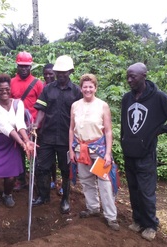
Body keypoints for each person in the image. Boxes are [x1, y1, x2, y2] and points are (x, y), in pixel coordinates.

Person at [121, 62, 167, 241]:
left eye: (132, 77)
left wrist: (162, 129)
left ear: (144, 76)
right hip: (129, 153)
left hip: (146, 155)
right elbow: (125, 125)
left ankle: (151, 225)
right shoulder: (127, 98)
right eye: (127, 76)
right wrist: (123, 142)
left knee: (146, 192)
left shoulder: (158, 98)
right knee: (133, 189)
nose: (129, 80)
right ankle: (138, 220)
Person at [68, 74, 119, 231]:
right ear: (81, 88)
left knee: (105, 183)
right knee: (85, 179)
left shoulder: (102, 106)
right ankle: (93, 208)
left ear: (95, 88)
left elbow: (108, 131)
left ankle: (111, 216)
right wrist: (70, 149)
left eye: (91, 86)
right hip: (79, 148)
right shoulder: (75, 105)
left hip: (99, 149)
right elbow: (71, 128)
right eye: (85, 86)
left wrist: (108, 153)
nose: (88, 89)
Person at [32, 55, 82, 214]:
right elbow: (41, 110)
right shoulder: (47, 89)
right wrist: (36, 124)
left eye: (64, 72)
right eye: (58, 72)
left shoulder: (76, 92)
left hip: (66, 140)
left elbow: (82, 115)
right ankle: (44, 196)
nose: (61, 75)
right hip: (47, 136)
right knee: (42, 167)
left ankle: (65, 199)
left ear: (70, 72)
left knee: (66, 170)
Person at [0, 73, 35, 215]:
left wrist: (27, 141)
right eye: (1, 90)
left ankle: (7, 194)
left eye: (6, 89)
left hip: (11, 143)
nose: (4, 92)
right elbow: (7, 128)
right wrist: (23, 143)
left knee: (11, 178)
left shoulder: (18, 104)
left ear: (10, 89)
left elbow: (20, 124)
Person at [10, 51, 44, 191]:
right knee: (18, 154)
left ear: (31, 67)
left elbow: (43, 105)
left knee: (35, 155)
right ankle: (21, 179)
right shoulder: (11, 82)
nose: (24, 69)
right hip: (18, 125)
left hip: (34, 125)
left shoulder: (37, 83)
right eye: (21, 66)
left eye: (27, 66)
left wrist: (38, 124)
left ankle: (35, 180)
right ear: (17, 66)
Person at [42, 63, 62, 194]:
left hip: (62, 131)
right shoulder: (44, 88)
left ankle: (58, 182)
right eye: (45, 74)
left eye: (51, 73)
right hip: (46, 129)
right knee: (47, 161)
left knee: (62, 162)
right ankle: (48, 183)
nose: (48, 76)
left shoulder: (67, 88)